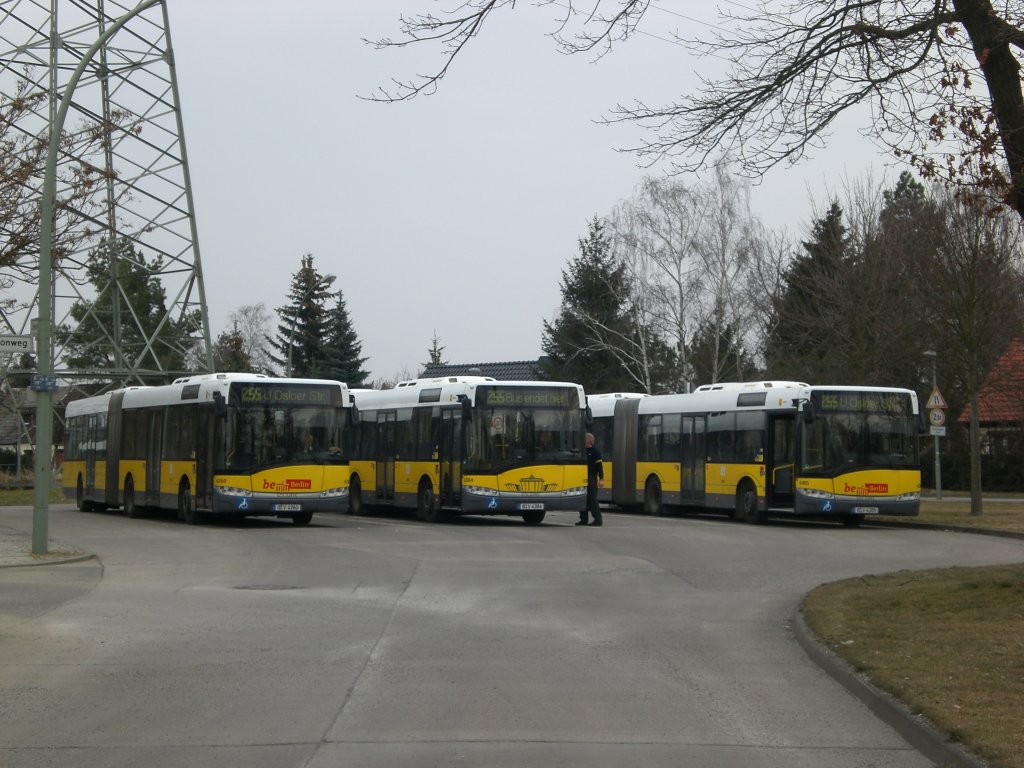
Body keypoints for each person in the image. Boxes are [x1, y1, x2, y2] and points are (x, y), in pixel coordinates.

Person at [577, 432, 604, 526]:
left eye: (584, 439)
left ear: (589, 441)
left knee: (593, 500)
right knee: (583, 498)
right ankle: (583, 519)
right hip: (583, 478)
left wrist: (601, 479)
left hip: (592, 478)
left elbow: (599, 467)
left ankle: (598, 519)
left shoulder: (596, 452)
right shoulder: (583, 452)